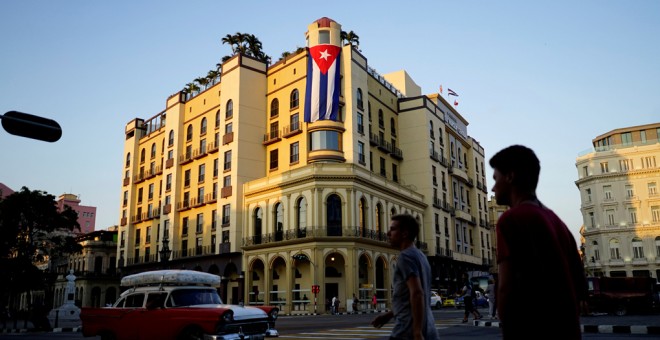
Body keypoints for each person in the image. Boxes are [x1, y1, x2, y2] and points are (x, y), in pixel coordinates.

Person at [490, 145, 586, 339]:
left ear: (510, 176)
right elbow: (578, 280)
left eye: (495, 178)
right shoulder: (557, 222)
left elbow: (506, 288)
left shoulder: (511, 219)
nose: (493, 187)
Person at [371, 214, 439, 340]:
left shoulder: (405, 257)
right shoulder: (421, 257)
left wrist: (417, 331)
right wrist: (389, 315)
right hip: (429, 330)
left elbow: (417, 293)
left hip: (406, 332)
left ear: (405, 234)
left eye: (393, 229)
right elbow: (408, 300)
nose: (388, 233)